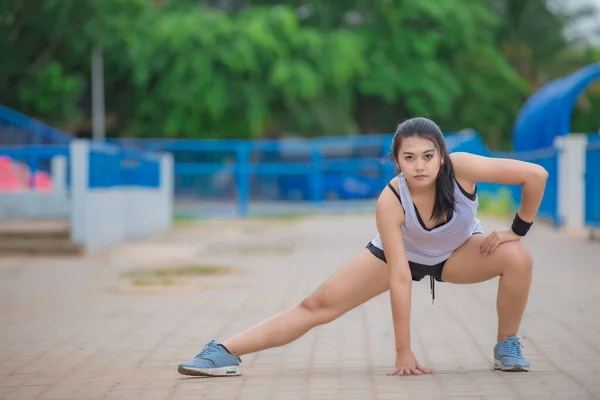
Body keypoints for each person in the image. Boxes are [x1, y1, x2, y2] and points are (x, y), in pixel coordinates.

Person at [177, 117, 548, 377]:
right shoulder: (391, 200)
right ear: (397, 160)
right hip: (399, 256)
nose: (419, 166)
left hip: (458, 254)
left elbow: (535, 175)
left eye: (428, 156)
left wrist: (517, 229)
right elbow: (400, 276)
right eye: (409, 157)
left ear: (441, 154)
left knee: (517, 256)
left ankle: (506, 346)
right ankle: (223, 351)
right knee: (316, 305)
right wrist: (403, 350)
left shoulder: (463, 168)